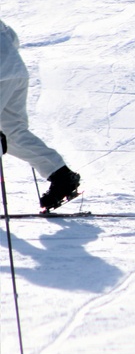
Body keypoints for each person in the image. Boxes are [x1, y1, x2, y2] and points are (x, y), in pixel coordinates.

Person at [0, 19, 81, 211]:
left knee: (12, 132)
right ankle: (61, 176)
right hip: (16, 72)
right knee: (13, 133)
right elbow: (13, 37)